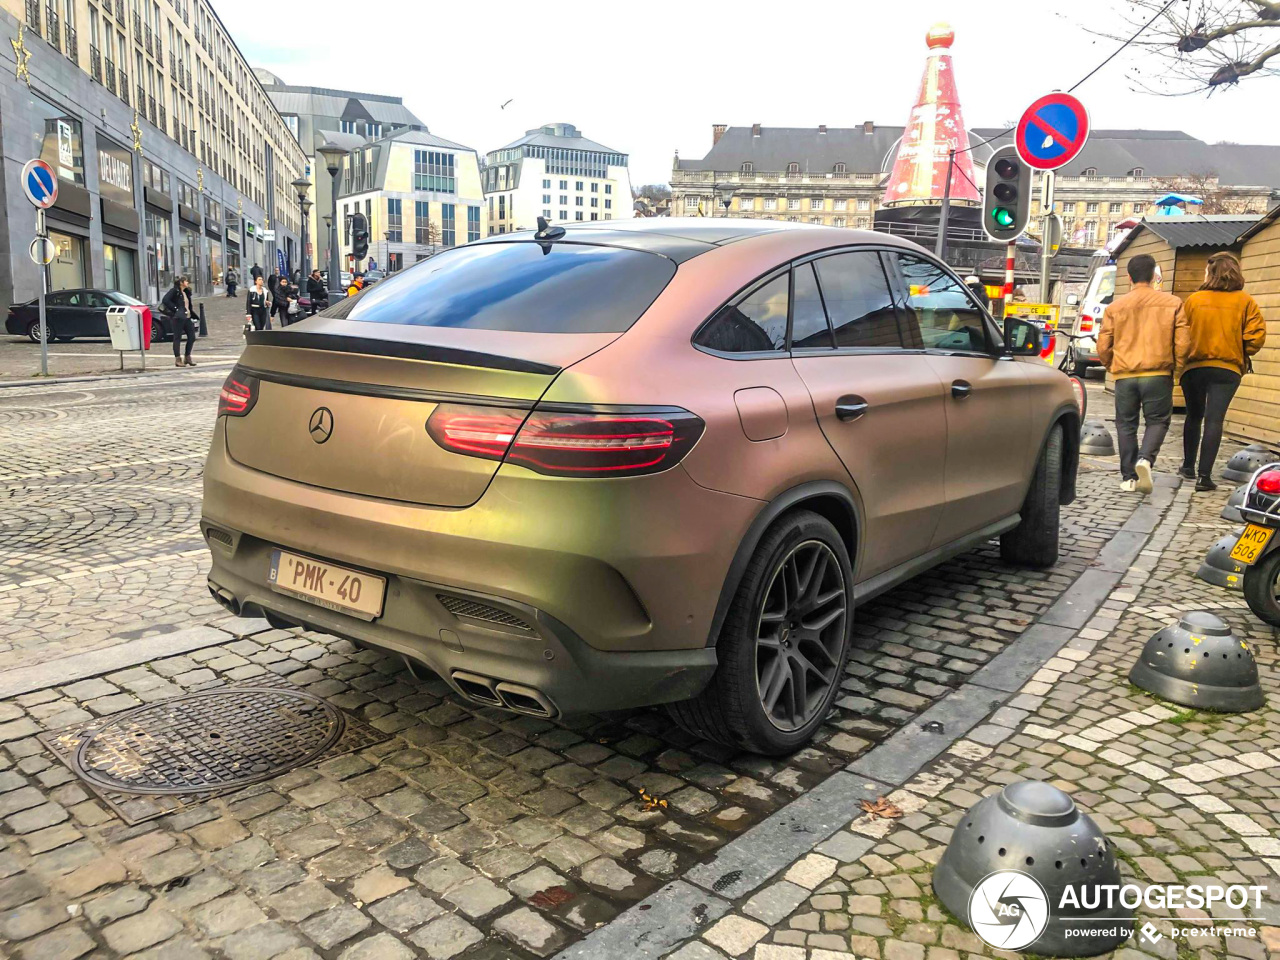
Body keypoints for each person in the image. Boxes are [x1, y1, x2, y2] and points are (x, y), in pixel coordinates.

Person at [1097, 253, 1190, 494]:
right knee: (1157, 421)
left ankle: (1128, 478)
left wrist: (1112, 366)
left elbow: (1103, 346)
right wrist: (1176, 367)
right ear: (1153, 276)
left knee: (1125, 424)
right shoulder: (1173, 303)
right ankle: (1145, 459)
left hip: (1125, 375)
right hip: (1158, 373)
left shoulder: (1115, 307)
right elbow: (1183, 342)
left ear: (1128, 277)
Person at [1179, 251, 1267, 491]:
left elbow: (1181, 334)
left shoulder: (1194, 300)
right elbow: (1255, 337)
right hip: (1227, 368)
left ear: (1211, 272)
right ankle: (1204, 477)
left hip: (1194, 367)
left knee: (1193, 415)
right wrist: (1241, 348)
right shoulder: (1245, 301)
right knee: (1214, 420)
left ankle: (1187, 465)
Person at [161, 276, 198, 367]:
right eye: (186, 281)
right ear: (181, 282)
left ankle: (187, 356)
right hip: (178, 318)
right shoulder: (174, 291)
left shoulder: (185, 292)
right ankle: (178, 359)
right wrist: (176, 309)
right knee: (177, 337)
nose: (187, 282)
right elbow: (165, 300)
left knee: (192, 337)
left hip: (187, 317)